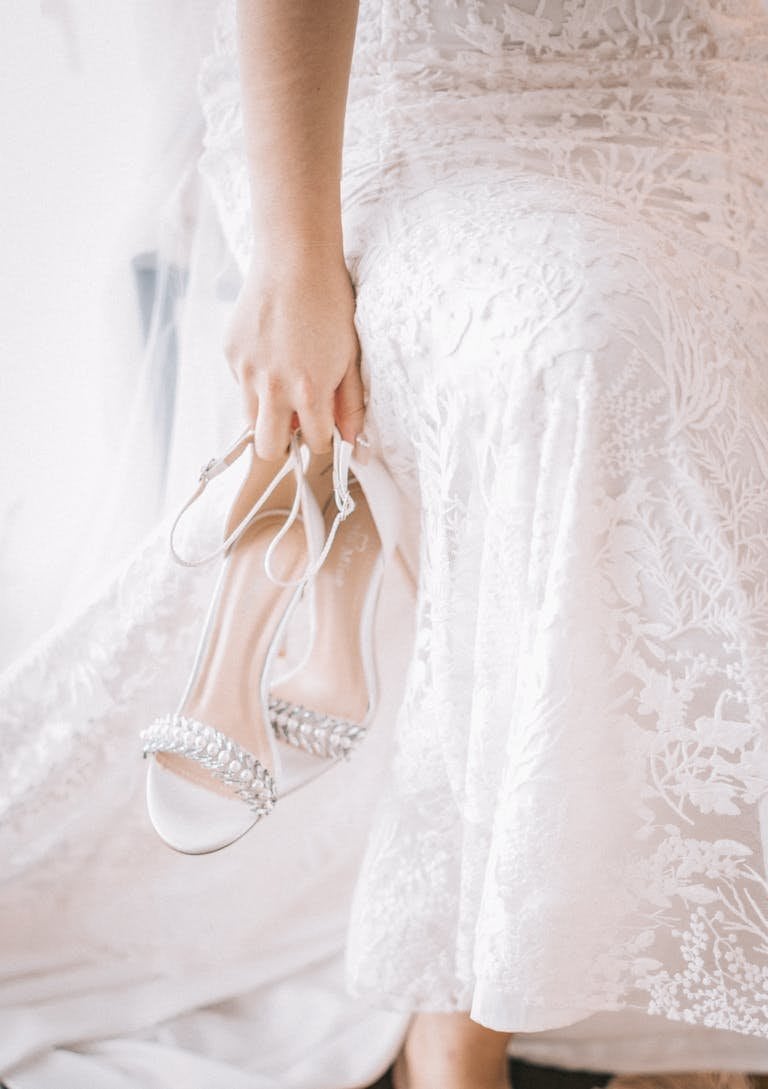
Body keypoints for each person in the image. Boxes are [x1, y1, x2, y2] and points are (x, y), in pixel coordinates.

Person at [2, 1, 768, 1087]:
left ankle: (679, 1009)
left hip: (721, 86)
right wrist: (294, 258)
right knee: (598, 352)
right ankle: (456, 1011)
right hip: (430, 98)